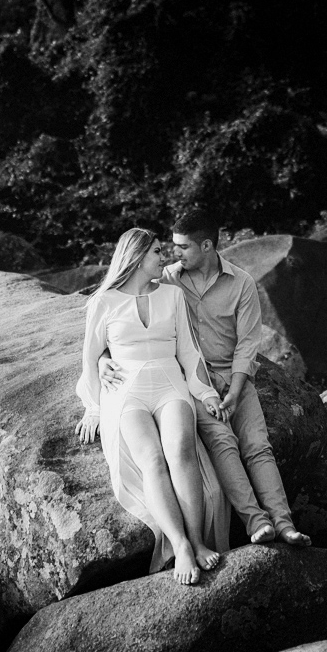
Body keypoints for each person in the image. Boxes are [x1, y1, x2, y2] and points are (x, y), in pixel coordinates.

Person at [102, 210, 311, 548]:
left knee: (259, 447)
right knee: (222, 443)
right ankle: (256, 522)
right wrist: (101, 360)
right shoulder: (167, 280)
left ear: (207, 245)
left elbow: (248, 344)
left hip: (237, 377)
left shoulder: (241, 283)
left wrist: (237, 389)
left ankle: (285, 525)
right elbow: (123, 312)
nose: (175, 254)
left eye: (183, 247)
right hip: (194, 382)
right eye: (171, 247)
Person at [75, 227, 231, 585]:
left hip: (169, 384)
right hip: (125, 391)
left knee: (180, 449)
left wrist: (205, 393)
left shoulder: (172, 296)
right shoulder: (104, 301)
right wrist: (94, 406)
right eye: (158, 253)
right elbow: (90, 356)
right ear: (136, 256)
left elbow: (189, 352)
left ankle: (197, 539)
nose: (166, 258)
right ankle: (180, 546)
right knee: (151, 459)